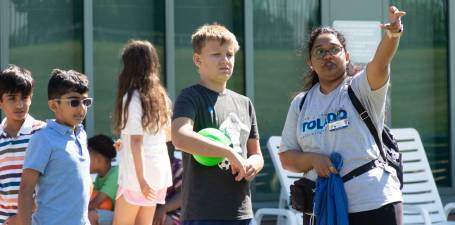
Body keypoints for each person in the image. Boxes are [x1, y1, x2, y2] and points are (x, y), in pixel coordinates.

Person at [279, 6, 406, 225]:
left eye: (334, 49)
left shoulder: (360, 89)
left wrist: (393, 34)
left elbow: (380, 63)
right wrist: (312, 159)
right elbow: (287, 158)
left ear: (346, 56)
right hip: (322, 206)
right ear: (310, 61)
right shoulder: (301, 104)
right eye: (320, 51)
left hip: (375, 202)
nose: (327, 55)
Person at [171, 24, 263, 225]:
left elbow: (256, 153)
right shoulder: (190, 97)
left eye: (230, 55)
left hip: (241, 212)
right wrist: (229, 153)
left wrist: (252, 165)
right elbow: (180, 136)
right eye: (216, 54)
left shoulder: (244, 103)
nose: (225, 60)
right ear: (198, 60)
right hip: (203, 213)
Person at [17, 69, 92, 225]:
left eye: (86, 102)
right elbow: (25, 191)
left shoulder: (81, 134)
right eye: (74, 102)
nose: (82, 108)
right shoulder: (43, 138)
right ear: (53, 105)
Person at [112, 40, 173, 225]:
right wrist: (126, 143)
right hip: (157, 172)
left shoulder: (131, 98)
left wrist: (142, 180)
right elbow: (167, 136)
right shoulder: (160, 95)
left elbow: (138, 141)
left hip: (138, 177)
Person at [0, 65, 45, 225]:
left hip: (38, 219)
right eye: (12, 98)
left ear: (31, 98)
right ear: (0, 101)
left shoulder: (43, 133)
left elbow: (54, 183)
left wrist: (19, 219)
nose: (19, 105)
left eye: (24, 97)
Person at [88, 134, 119, 225]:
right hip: (111, 214)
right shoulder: (99, 177)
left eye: (88, 155)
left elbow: (94, 204)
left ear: (99, 158)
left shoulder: (115, 173)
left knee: (90, 216)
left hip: (121, 217)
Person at [153, 142, 183, 225]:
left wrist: (164, 209)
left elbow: (182, 195)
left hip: (173, 210)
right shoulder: (149, 167)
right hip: (150, 208)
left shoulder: (178, 167)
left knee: (164, 221)